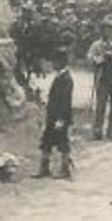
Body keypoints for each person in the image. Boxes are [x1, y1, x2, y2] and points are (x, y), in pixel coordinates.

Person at [87, 22, 112, 139]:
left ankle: (111, 130)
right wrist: (101, 58)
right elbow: (90, 58)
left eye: (110, 30)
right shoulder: (96, 45)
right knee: (101, 105)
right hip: (102, 78)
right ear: (102, 31)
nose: (108, 32)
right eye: (106, 30)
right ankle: (98, 129)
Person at [38, 49, 74, 179]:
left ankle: (65, 169)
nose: (53, 64)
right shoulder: (60, 76)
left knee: (62, 141)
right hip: (53, 116)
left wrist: (61, 119)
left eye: (55, 61)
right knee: (47, 140)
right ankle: (44, 168)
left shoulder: (66, 79)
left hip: (60, 117)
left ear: (61, 62)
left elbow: (65, 102)